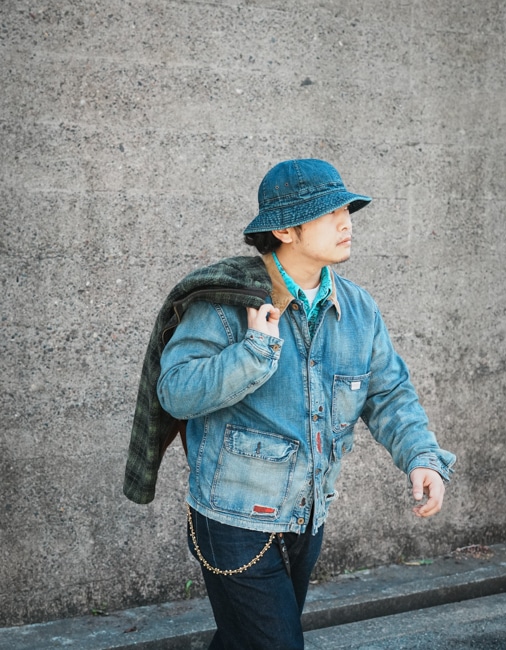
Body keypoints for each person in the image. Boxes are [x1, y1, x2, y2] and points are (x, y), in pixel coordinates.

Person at [132, 158, 456, 650]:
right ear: (285, 230)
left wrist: (421, 456)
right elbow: (175, 390)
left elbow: (389, 392)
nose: (346, 223)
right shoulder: (225, 301)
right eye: (329, 214)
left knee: (244, 642)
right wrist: (254, 352)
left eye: (346, 211)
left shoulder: (358, 308)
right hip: (234, 519)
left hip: (308, 514)